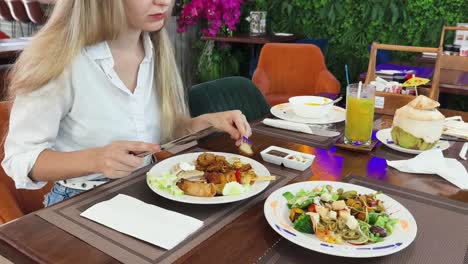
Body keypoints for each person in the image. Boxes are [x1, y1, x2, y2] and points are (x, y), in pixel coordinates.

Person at [1, 0, 251, 207]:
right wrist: (96, 159)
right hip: (79, 201)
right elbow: (20, 160)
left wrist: (205, 123)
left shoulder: (157, 51)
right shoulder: (58, 60)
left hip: (149, 188)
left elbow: (161, 136)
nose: (163, 2)